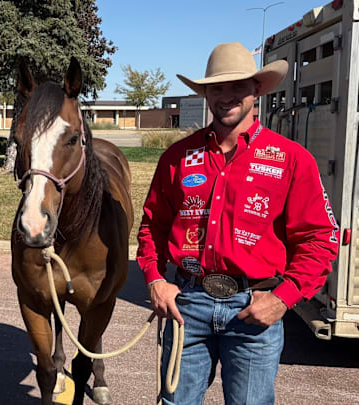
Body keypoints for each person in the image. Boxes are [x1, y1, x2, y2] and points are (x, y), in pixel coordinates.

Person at [136, 42, 339, 404]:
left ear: (256, 89)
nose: (226, 97)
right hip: (189, 303)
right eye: (217, 88)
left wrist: (283, 299)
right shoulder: (177, 158)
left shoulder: (292, 160)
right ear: (206, 93)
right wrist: (155, 279)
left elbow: (320, 238)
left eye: (237, 86)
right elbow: (153, 226)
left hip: (255, 309)